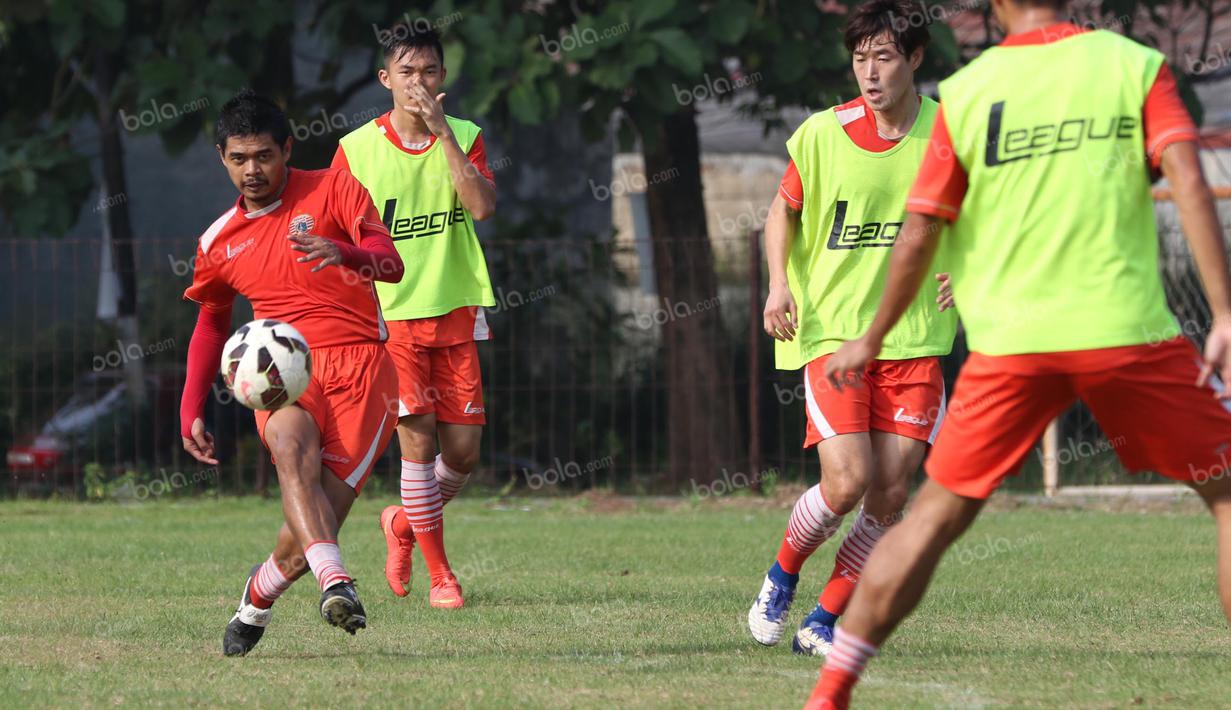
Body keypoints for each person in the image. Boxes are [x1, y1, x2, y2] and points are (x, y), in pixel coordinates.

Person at [807, 1, 1231, 706]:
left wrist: (871, 336)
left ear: (995, 7)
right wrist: (1222, 312)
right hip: (1123, 331)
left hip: (1011, 346)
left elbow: (918, 231)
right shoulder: (1132, 66)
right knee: (1224, 491)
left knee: (932, 515)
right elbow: (1187, 182)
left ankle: (828, 691)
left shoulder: (967, 94)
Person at [748, 0, 957, 657]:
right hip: (833, 335)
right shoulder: (820, 133)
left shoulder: (950, 134)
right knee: (845, 483)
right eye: (859, 58)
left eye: (884, 57)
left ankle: (824, 618)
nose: (869, 72)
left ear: (914, 59)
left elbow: (989, 217)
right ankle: (781, 576)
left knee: (890, 494)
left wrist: (972, 274)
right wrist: (779, 285)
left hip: (916, 337)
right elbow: (780, 214)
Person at [180, 91, 404, 656]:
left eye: (263, 156)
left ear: (287, 149)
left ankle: (258, 596)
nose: (252, 170)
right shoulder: (218, 241)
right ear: (222, 158)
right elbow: (211, 326)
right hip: (284, 376)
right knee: (290, 450)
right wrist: (190, 409)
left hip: (363, 371)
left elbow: (391, 261)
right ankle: (339, 583)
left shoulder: (334, 187)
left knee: (309, 534)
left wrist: (343, 252)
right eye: (238, 159)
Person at [333, 27, 497, 609]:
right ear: (386, 80)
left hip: (454, 309)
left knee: (464, 454)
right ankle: (441, 574)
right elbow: (334, 233)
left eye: (428, 72)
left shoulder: (468, 136)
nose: (418, 83)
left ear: (442, 79)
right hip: (389, 317)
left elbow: (480, 207)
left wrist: (443, 134)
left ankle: (403, 525)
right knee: (419, 447)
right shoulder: (355, 150)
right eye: (407, 73)